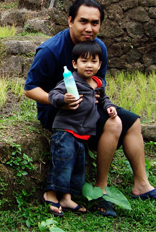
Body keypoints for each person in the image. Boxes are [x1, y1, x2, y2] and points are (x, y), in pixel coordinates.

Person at [25, 0, 156, 217]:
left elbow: (98, 85)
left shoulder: (99, 49)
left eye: (95, 23)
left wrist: (106, 105)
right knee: (114, 125)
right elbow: (30, 89)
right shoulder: (51, 50)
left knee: (131, 122)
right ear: (70, 21)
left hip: (87, 110)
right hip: (58, 113)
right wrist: (60, 100)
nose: (89, 28)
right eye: (83, 21)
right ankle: (100, 191)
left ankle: (141, 185)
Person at [45, 41, 118, 217]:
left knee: (77, 167)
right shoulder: (70, 80)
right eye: (84, 61)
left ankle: (67, 198)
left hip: (82, 133)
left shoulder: (98, 84)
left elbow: (103, 99)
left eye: (94, 61)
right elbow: (52, 95)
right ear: (74, 64)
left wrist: (109, 107)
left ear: (100, 65)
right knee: (63, 162)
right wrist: (64, 99)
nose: (89, 65)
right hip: (65, 130)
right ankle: (51, 193)